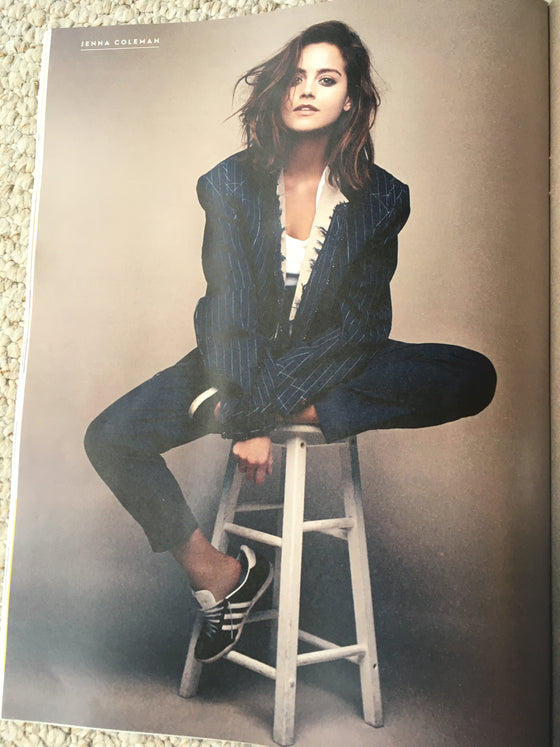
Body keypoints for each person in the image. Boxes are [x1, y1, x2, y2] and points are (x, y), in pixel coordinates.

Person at [84, 20, 496, 665]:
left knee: (471, 374)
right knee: (110, 437)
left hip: (330, 362)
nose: (307, 90)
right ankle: (220, 576)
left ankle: (250, 410)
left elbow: (358, 327)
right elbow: (229, 308)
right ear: (278, 92)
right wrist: (247, 400)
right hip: (233, 354)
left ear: (350, 100)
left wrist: (254, 415)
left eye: (326, 79)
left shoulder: (383, 198)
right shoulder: (227, 184)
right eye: (296, 77)